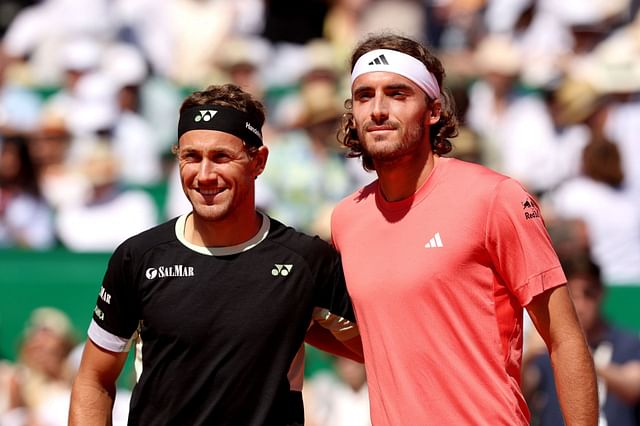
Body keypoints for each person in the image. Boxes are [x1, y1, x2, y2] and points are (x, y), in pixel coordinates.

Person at [330, 33, 598, 425]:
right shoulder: (345, 219)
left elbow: (565, 337)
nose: (378, 109)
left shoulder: (495, 197)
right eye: (364, 95)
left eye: (398, 94)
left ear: (433, 110)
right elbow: (378, 341)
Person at [69, 83, 361, 425]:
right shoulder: (138, 257)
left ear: (259, 161)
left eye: (221, 157)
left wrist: (296, 320)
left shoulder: (305, 260)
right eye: (191, 157)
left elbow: (381, 351)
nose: (204, 175)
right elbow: (94, 380)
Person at [523, 252, 640, 425]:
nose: (581, 305)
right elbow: (521, 393)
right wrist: (529, 354)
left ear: (601, 293)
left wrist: (575, 356)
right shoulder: (546, 349)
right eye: (572, 295)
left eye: (588, 294)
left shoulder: (628, 342)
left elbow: (633, 387)